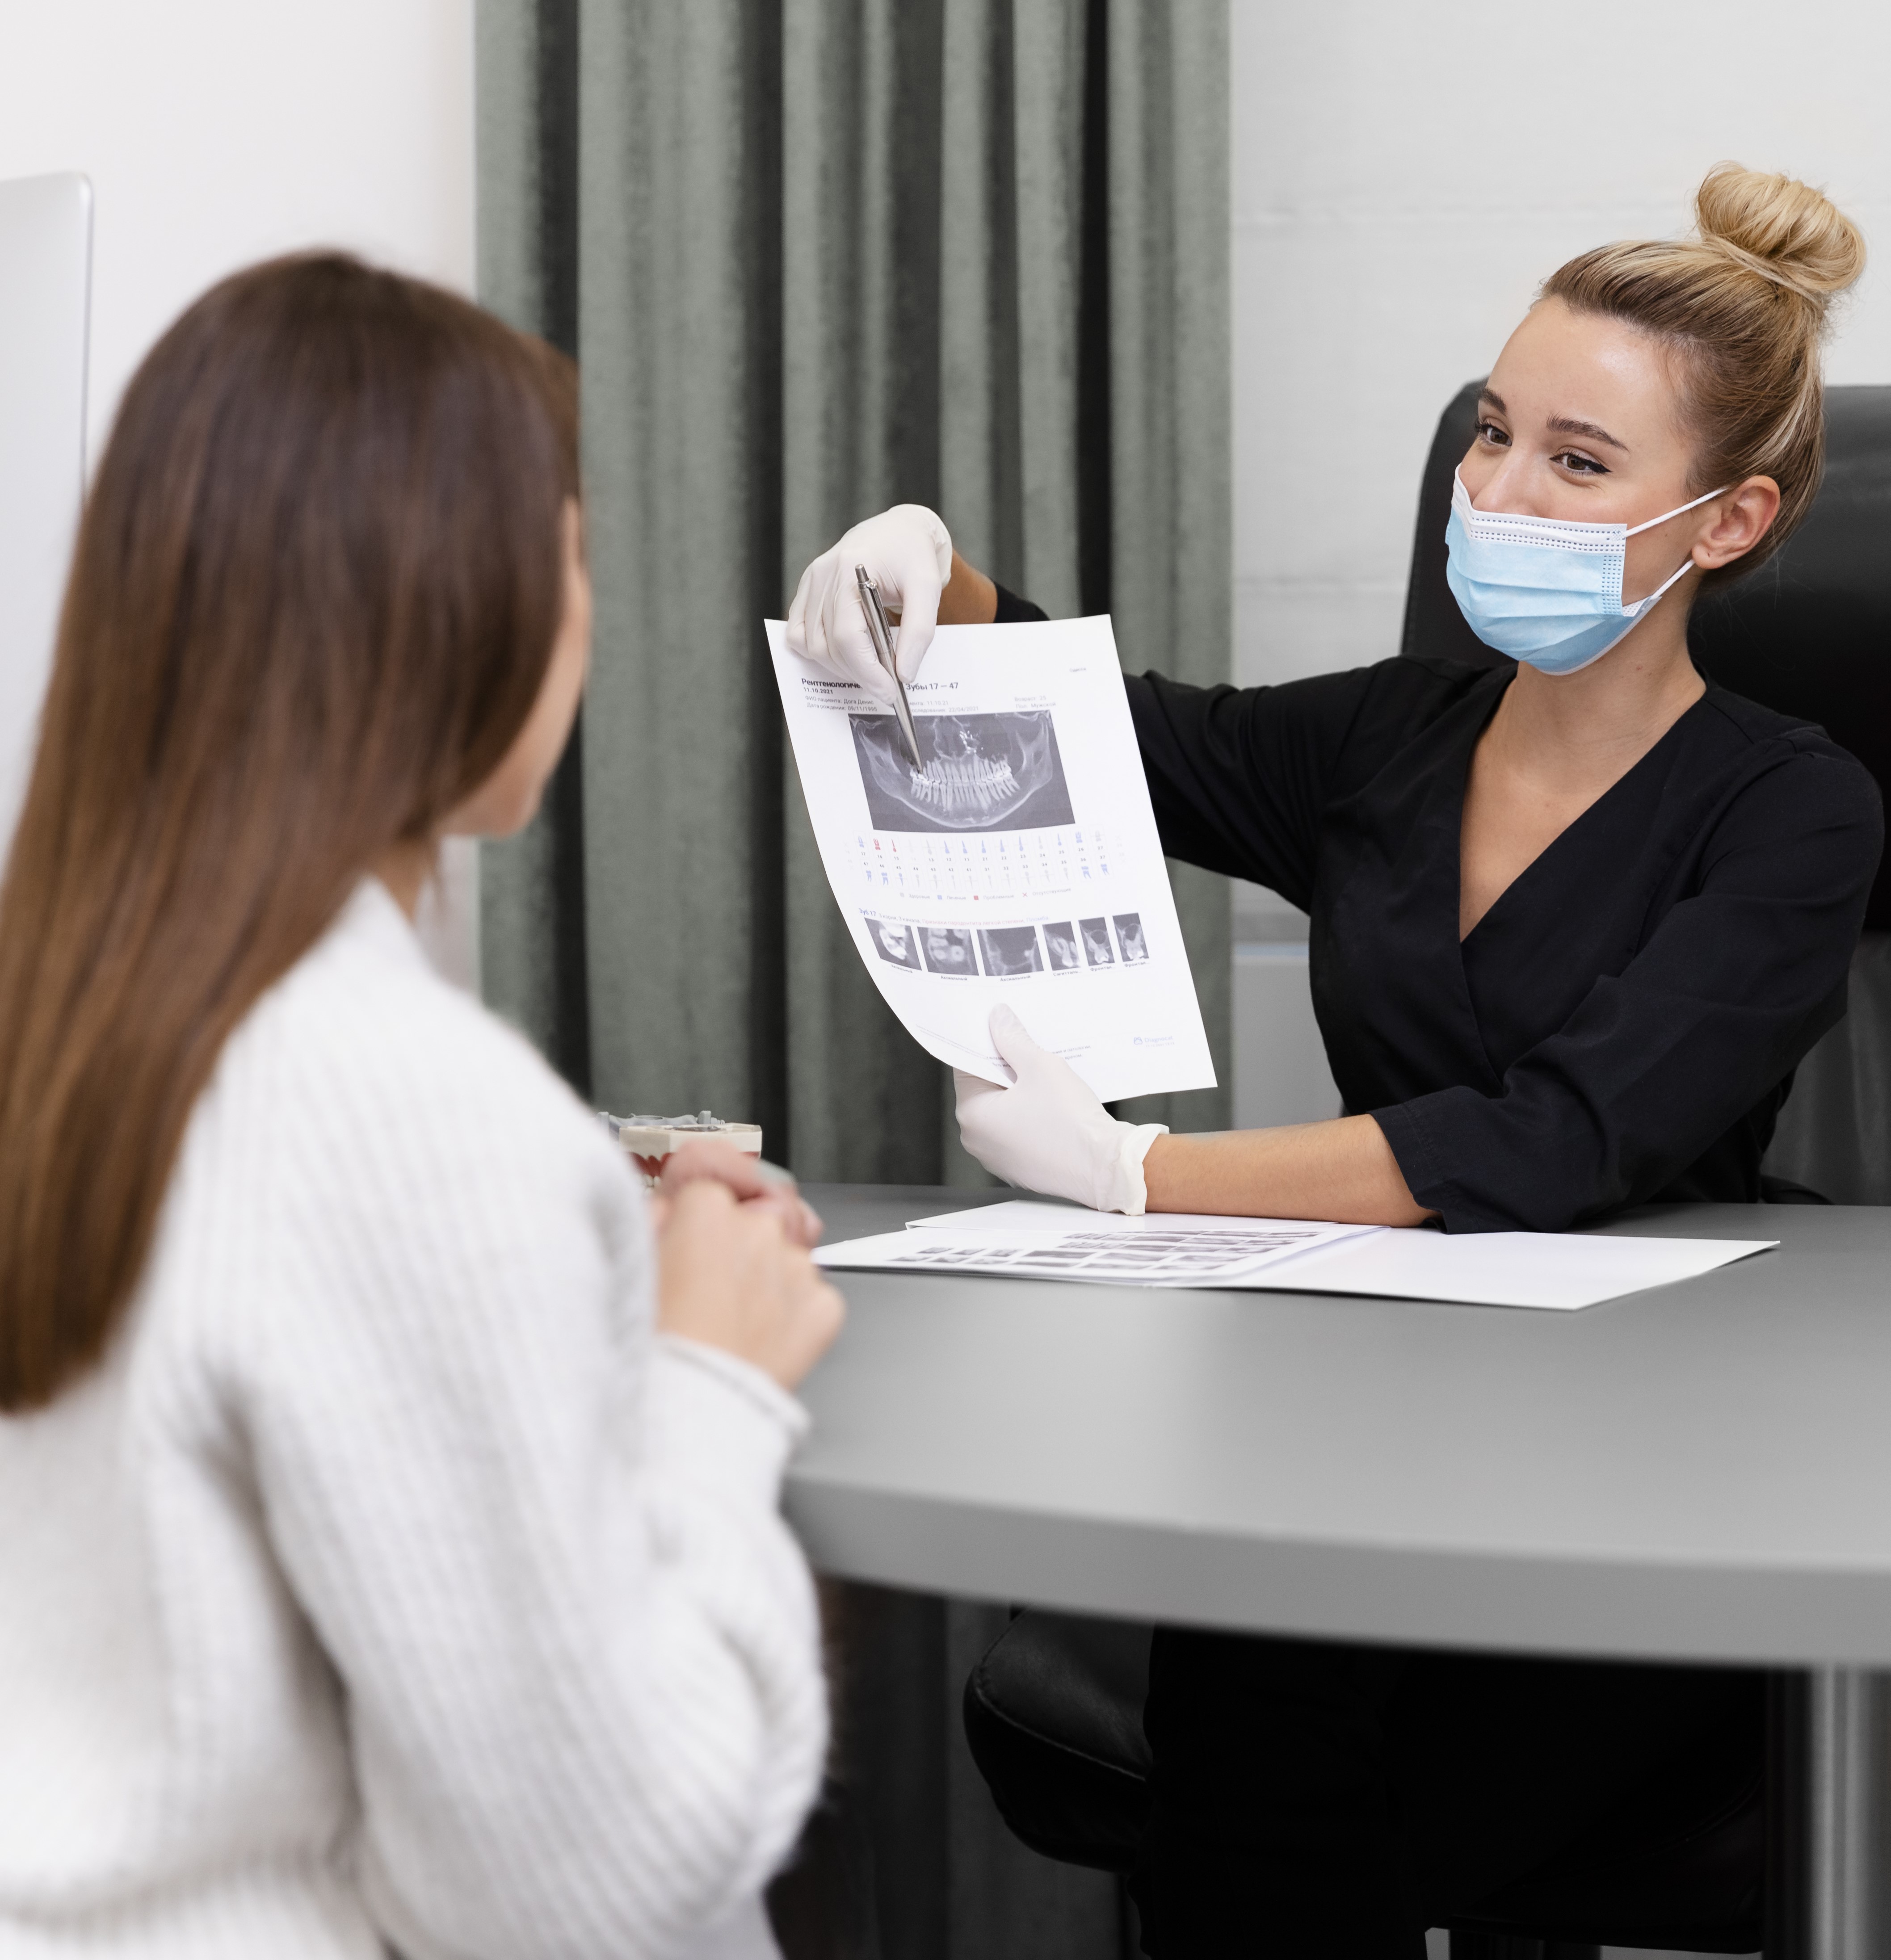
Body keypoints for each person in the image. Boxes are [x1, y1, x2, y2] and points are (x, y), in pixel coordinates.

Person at [787, 167, 1881, 1953]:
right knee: (1250, 1698)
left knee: (1355, 1796)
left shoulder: (1790, 806)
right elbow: (1128, 739)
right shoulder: (1389, 730)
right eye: (1487, 434)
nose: (1497, 493)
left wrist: (1150, 1175)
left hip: (1653, 1446)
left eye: (1575, 463)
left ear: (1730, 518)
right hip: (1359, 1405)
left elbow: (1562, 1134)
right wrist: (936, 581)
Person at [0, 256, 840, 1960]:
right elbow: (593, 1885)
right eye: (576, 548)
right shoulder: (410, 1116)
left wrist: (570, 1191)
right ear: (455, 601)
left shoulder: (76, 1012)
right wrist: (708, 1379)